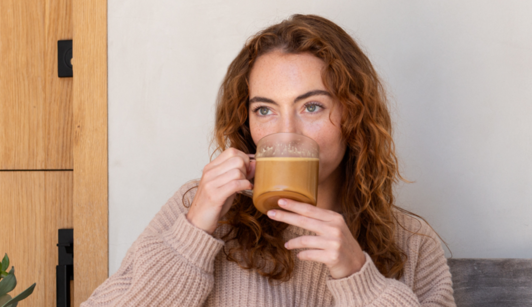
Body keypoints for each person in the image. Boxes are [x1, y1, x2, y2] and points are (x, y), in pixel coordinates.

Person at [82, 14, 455, 306]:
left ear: (354, 116)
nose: (288, 133)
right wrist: (193, 232)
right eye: (265, 110)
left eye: (312, 106)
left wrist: (358, 276)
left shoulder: (412, 242)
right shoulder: (200, 208)